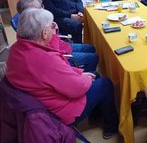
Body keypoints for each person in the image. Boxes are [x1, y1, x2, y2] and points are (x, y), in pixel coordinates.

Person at [6, 8, 119, 139]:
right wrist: (85, 78)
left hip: (39, 104)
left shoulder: (16, 49)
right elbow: (76, 88)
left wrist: (80, 74)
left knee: (95, 75)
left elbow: (59, 63)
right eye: (50, 26)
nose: (52, 27)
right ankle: (111, 127)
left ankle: (96, 115)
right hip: (55, 113)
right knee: (106, 84)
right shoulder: (45, 60)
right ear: (44, 33)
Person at [16, 0, 99, 72]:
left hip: (62, 46)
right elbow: (53, 53)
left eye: (41, 7)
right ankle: (87, 74)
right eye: (39, 9)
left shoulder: (35, 22)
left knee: (91, 48)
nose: (42, 10)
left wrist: (54, 31)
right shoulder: (33, 32)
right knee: (93, 58)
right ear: (28, 13)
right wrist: (54, 33)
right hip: (61, 55)